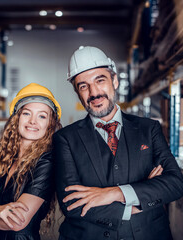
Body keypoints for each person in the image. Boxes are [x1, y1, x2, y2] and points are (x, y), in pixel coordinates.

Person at [53, 46, 183, 240]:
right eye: (83, 86)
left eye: (100, 80)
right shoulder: (65, 139)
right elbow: (71, 203)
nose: (94, 92)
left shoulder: (149, 129)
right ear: (77, 93)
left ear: (114, 80)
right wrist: (141, 197)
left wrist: (115, 193)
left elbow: (174, 183)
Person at [0, 83, 62, 240]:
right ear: (17, 118)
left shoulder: (46, 162)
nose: (33, 121)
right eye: (27, 113)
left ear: (50, 124)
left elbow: (17, 222)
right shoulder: (7, 159)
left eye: (42, 116)